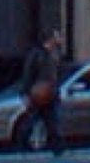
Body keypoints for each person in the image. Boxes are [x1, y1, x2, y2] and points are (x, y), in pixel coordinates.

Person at [20, 27, 66, 156]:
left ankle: (58, 149)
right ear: (50, 38)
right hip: (38, 93)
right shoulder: (36, 54)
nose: (60, 39)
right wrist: (26, 93)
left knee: (54, 122)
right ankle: (22, 145)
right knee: (31, 120)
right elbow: (28, 74)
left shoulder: (56, 54)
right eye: (57, 36)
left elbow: (58, 73)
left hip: (51, 93)